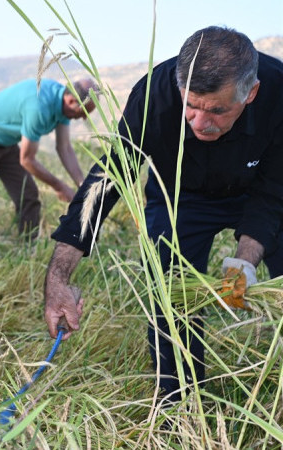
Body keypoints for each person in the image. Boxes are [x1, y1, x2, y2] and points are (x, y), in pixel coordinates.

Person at [43, 26, 283, 405]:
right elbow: (110, 176)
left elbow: (274, 192)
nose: (200, 123)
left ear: (249, 93)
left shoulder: (278, 91)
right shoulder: (155, 94)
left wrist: (245, 259)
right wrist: (59, 275)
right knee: (170, 299)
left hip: (259, 188)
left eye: (217, 110)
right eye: (191, 105)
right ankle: (180, 404)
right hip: (179, 198)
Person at [0, 78, 98, 236]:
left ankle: (27, 246)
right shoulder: (40, 106)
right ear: (70, 101)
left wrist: (82, 186)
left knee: (28, 195)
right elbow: (27, 160)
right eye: (83, 112)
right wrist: (59, 186)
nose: (83, 118)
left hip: (5, 145)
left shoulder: (63, 104)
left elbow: (64, 148)